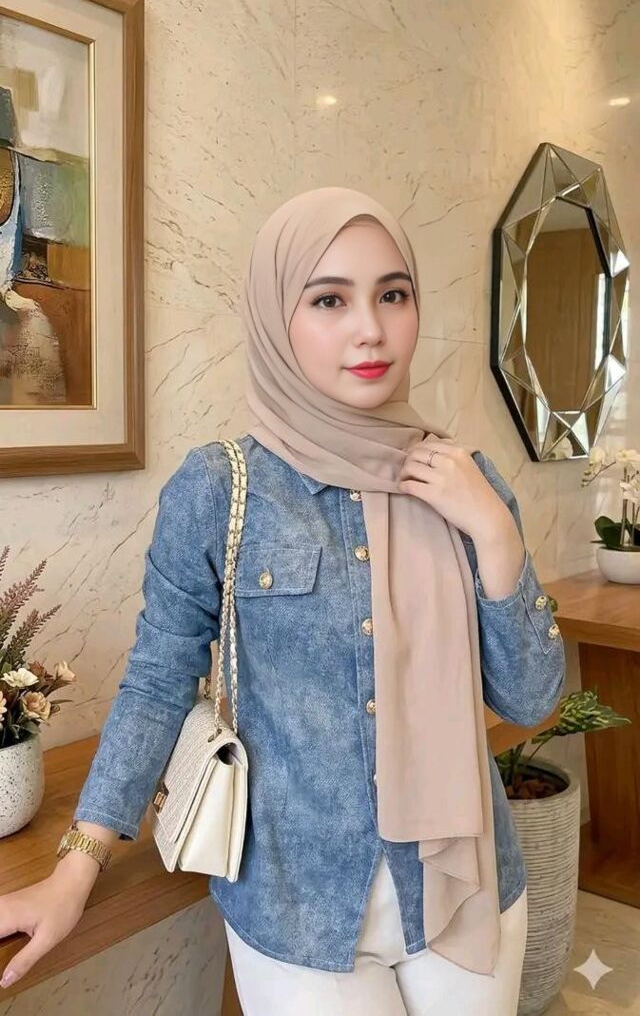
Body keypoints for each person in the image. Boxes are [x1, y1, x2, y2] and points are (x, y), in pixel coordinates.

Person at [0, 187, 566, 1015]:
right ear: (275, 317)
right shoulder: (220, 486)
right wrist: (75, 868)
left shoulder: (463, 480)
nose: (370, 329)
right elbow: (159, 684)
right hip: (300, 908)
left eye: (393, 294)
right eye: (330, 299)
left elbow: (530, 698)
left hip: (466, 886)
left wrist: (496, 536)